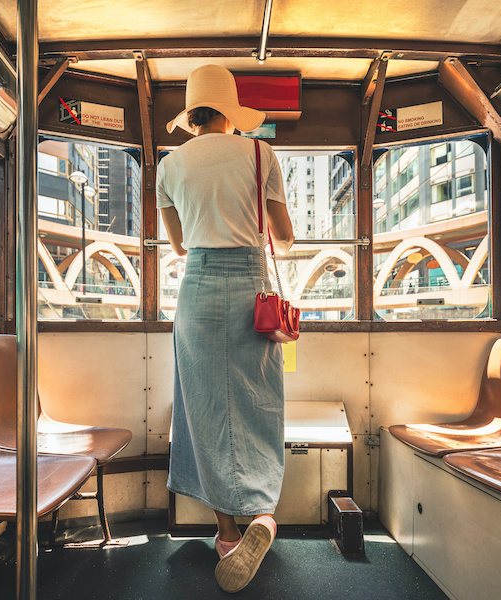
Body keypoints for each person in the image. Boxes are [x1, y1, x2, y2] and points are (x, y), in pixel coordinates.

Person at [156, 64, 294, 593]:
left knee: (204, 404)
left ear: (191, 116)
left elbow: (179, 245)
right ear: (231, 113)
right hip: (249, 288)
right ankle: (261, 510)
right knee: (258, 398)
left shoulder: (170, 166)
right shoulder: (260, 153)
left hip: (196, 291)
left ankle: (229, 534)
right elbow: (281, 237)